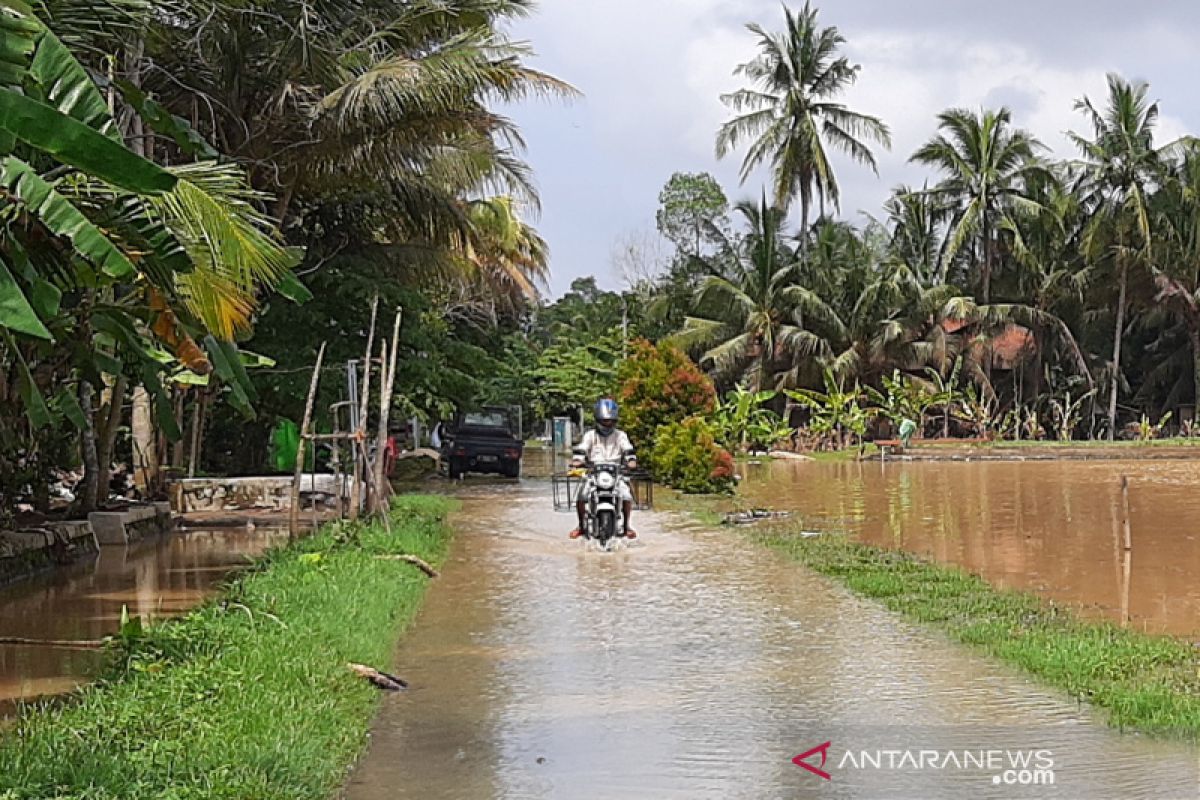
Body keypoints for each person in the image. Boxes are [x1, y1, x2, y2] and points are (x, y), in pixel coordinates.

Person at [569, 397, 639, 539]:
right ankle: (581, 526)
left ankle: (626, 526)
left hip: (616, 474)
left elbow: (628, 449)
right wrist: (577, 460)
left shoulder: (620, 435)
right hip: (594, 473)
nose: (607, 424)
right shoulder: (590, 435)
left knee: (626, 496)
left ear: (615, 421)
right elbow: (582, 449)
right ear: (597, 419)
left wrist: (631, 461)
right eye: (604, 421)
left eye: (610, 421)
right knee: (581, 496)